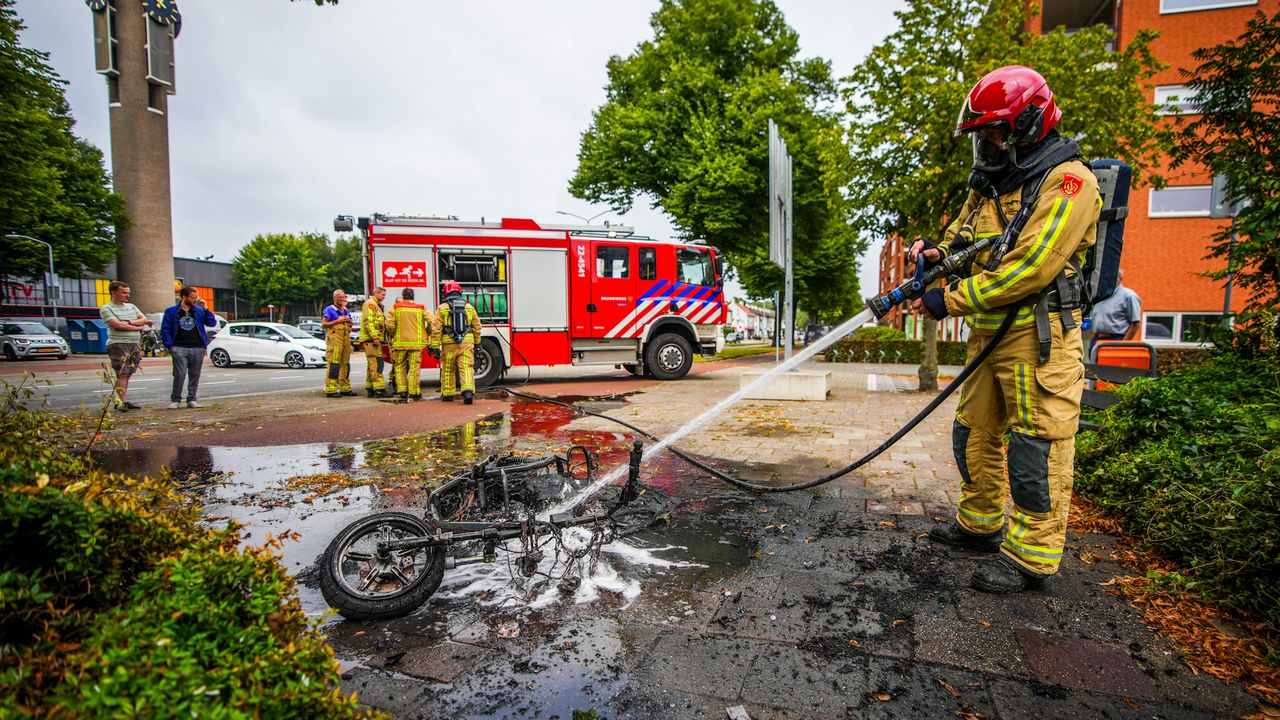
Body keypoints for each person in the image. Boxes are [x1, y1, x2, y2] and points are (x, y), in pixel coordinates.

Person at [907, 66, 1100, 593]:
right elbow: (961, 237)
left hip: (1038, 337)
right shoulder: (992, 183)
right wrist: (935, 254)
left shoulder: (1070, 182)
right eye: (981, 135)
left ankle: (1032, 557)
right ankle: (980, 524)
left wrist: (948, 300)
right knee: (974, 432)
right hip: (989, 331)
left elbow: (1031, 265)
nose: (986, 143)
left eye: (994, 132)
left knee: (1035, 444)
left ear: (1030, 122)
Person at [99, 280, 153, 412]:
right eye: (124, 293)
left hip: (134, 343)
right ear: (114, 293)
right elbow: (118, 325)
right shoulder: (106, 308)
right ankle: (121, 402)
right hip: (118, 344)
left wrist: (129, 322)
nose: (127, 295)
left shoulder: (132, 307)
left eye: (128, 293)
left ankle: (122, 399)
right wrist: (138, 327)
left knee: (128, 374)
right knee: (122, 373)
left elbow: (144, 319)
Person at [160, 285, 217, 409]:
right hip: (179, 346)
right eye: (192, 298)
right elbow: (165, 329)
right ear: (184, 297)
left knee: (195, 374)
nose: (195, 300)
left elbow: (212, 323)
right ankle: (175, 399)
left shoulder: (199, 310)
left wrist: (206, 309)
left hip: (197, 347)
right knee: (179, 374)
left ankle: (192, 398)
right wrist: (170, 346)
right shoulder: (171, 311)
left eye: (196, 297)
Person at [428, 280, 483, 404]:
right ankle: (468, 392)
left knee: (448, 369)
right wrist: (478, 343)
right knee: (466, 367)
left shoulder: (442, 308)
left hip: (448, 344)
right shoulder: (469, 307)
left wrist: (435, 346)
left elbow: (436, 328)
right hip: (466, 343)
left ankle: (448, 394)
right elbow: (477, 327)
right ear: (459, 292)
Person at [1088, 269, 1142, 356]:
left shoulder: (1128, 296)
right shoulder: (1099, 296)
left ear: (1119, 278)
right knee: (1094, 369)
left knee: (1111, 369)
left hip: (1116, 340)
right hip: (1097, 340)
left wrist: (1122, 345)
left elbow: (1135, 324)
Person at [386, 288, 427, 401]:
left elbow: (389, 324)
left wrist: (393, 333)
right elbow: (432, 321)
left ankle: (402, 391)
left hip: (400, 344)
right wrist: (426, 332)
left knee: (400, 367)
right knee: (414, 368)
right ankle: (414, 392)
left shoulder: (395, 308)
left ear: (403, 296)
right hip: (416, 344)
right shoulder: (421, 308)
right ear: (413, 296)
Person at [322, 289, 356, 398]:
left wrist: (348, 321)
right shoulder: (330, 309)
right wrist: (338, 320)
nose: (342, 299)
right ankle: (331, 389)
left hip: (345, 339)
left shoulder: (345, 310)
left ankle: (345, 388)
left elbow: (350, 323)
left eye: (343, 297)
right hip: (335, 340)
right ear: (335, 298)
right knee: (334, 363)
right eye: (339, 297)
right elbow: (324, 324)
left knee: (345, 363)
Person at [360, 287, 390, 397]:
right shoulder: (370, 304)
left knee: (371, 365)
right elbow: (368, 322)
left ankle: (370, 388)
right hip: (372, 340)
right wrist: (375, 337)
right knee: (376, 364)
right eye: (382, 294)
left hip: (373, 339)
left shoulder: (376, 305)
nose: (384, 297)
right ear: (376, 293)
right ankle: (379, 389)